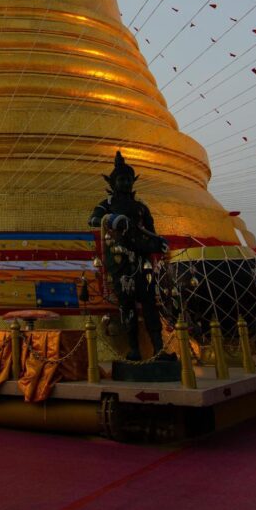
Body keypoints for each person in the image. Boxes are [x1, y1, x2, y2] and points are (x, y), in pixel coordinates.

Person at [89, 152, 169, 361]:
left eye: (127, 180)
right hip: (120, 261)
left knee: (150, 304)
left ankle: (159, 349)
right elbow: (93, 220)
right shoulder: (107, 204)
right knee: (127, 305)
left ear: (132, 182)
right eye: (120, 179)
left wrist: (159, 243)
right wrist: (110, 219)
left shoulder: (141, 208)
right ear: (114, 182)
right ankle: (134, 349)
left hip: (142, 261)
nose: (124, 183)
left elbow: (151, 232)